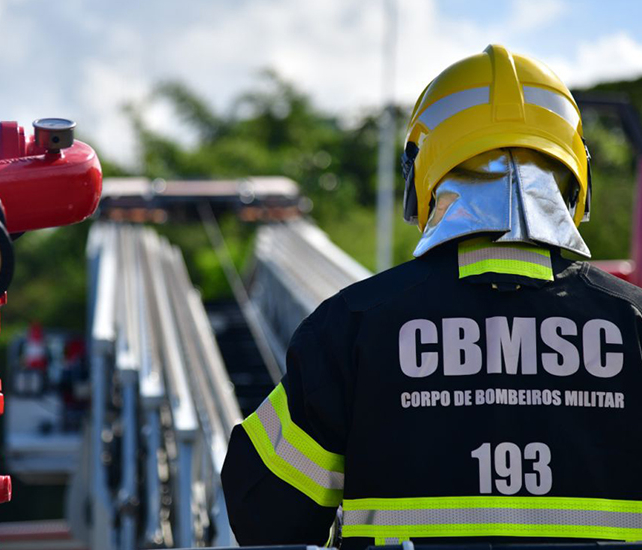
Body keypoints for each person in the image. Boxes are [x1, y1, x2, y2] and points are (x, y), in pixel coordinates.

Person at [222, 44, 642, 548]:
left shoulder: (351, 327)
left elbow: (264, 514)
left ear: (423, 173)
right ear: (576, 176)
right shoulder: (634, 325)